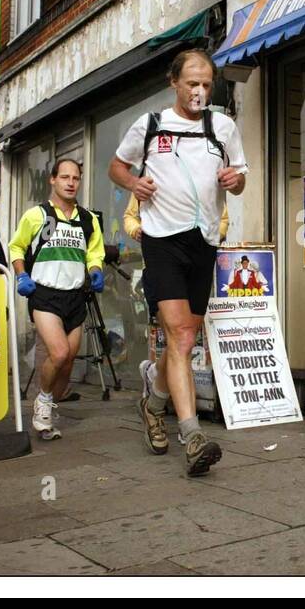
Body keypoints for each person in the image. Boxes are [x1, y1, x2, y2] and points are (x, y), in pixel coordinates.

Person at [108, 48, 247, 476]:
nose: (200, 91)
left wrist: (234, 179)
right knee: (182, 339)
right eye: (192, 83)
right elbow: (116, 166)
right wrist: (134, 182)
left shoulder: (222, 127)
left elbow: (239, 180)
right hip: (162, 240)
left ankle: (153, 402)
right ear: (174, 82)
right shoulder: (150, 125)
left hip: (204, 241)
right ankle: (193, 436)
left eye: (207, 84)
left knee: (184, 338)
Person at [9, 159, 106, 440]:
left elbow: (95, 252)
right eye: (64, 177)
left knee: (68, 360)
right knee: (60, 352)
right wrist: (21, 275)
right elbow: (17, 246)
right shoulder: (37, 215)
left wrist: (96, 271)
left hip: (75, 296)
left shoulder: (87, 219)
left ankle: (50, 399)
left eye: (75, 178)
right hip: (44, 294)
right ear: (53, 180)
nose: (70, 182)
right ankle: (42, 402)